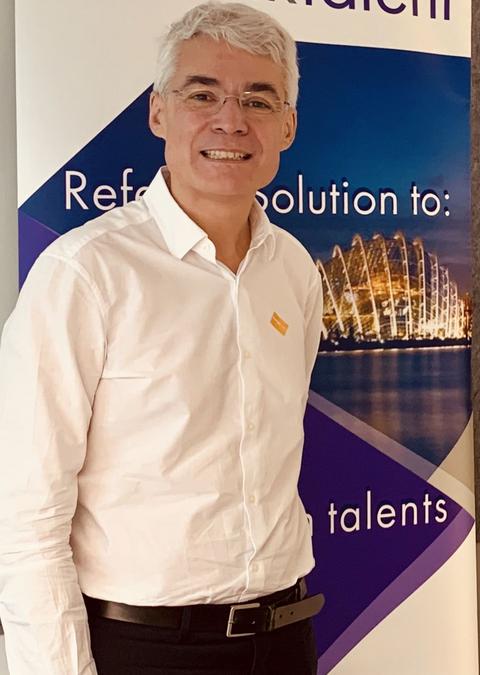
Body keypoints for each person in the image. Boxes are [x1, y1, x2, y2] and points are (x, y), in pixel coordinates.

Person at [0, 3, 325, 673]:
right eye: (202, 94)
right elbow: (25, 517)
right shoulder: (86, 273)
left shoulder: (294, 270)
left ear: (288, 126)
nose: (230, 120)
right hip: (142, 648)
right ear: (157, 112)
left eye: (258, 100)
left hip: (284, 637)